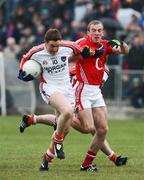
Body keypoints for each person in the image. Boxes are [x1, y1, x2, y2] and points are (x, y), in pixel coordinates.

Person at [18, 28, 94, 171]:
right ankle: (58, 141)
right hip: (50, 87)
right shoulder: (36, 51)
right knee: (67, 111)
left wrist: (89, 53)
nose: (56, 49)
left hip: (67, 88)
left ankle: (46, 159)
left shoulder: (68, 46)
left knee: (66, 127)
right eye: (52, 46)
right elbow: (23, 60)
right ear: (45, 43)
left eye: (58, 45)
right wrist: (22, 74)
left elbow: (82, 52)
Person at [73, 20, 129, 171]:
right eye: (94, 30)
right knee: (88, 127)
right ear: (88, 32)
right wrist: (87, 54)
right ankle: (65, 117)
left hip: (96, 91)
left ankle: (86, 165)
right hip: (83, 89)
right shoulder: (81, 43)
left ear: (102, 32)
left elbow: (125, 51)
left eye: (99, 30)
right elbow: (70, 57)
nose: (97, 33)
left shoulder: (105, 44)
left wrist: (121, 43)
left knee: (102, 130)